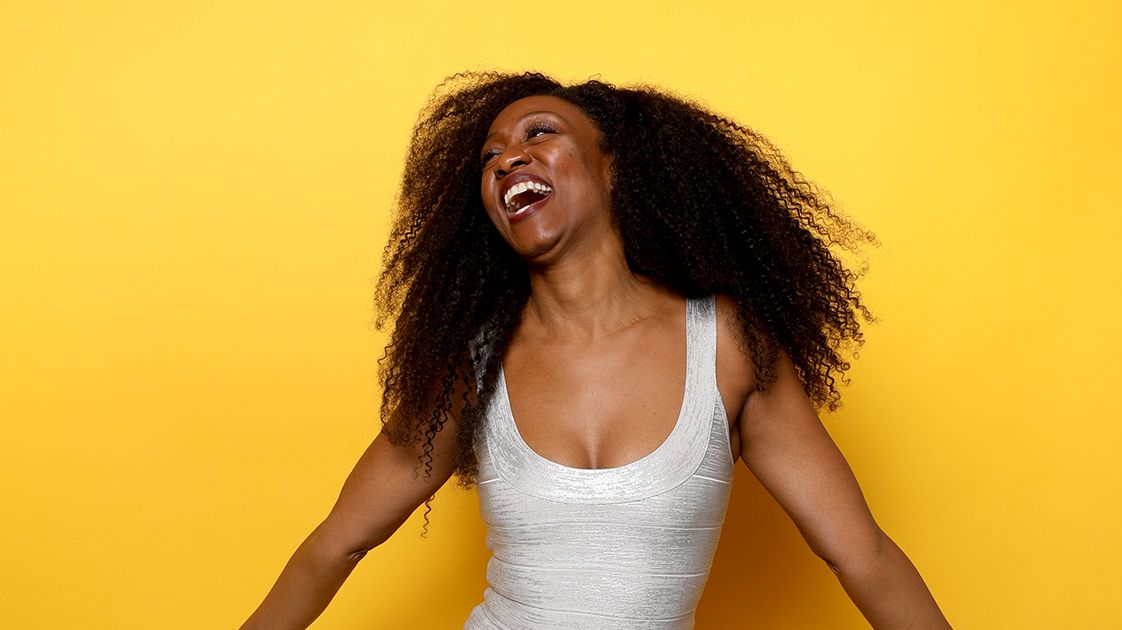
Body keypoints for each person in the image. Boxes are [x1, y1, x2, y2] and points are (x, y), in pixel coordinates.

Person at [241, 71, 953, 629]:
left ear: (612, 168)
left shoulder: (727, 346)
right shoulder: (475, 365)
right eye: (491, 156)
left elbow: (863, 556)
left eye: (540, 133)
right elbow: (336, 543)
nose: (508, 158)